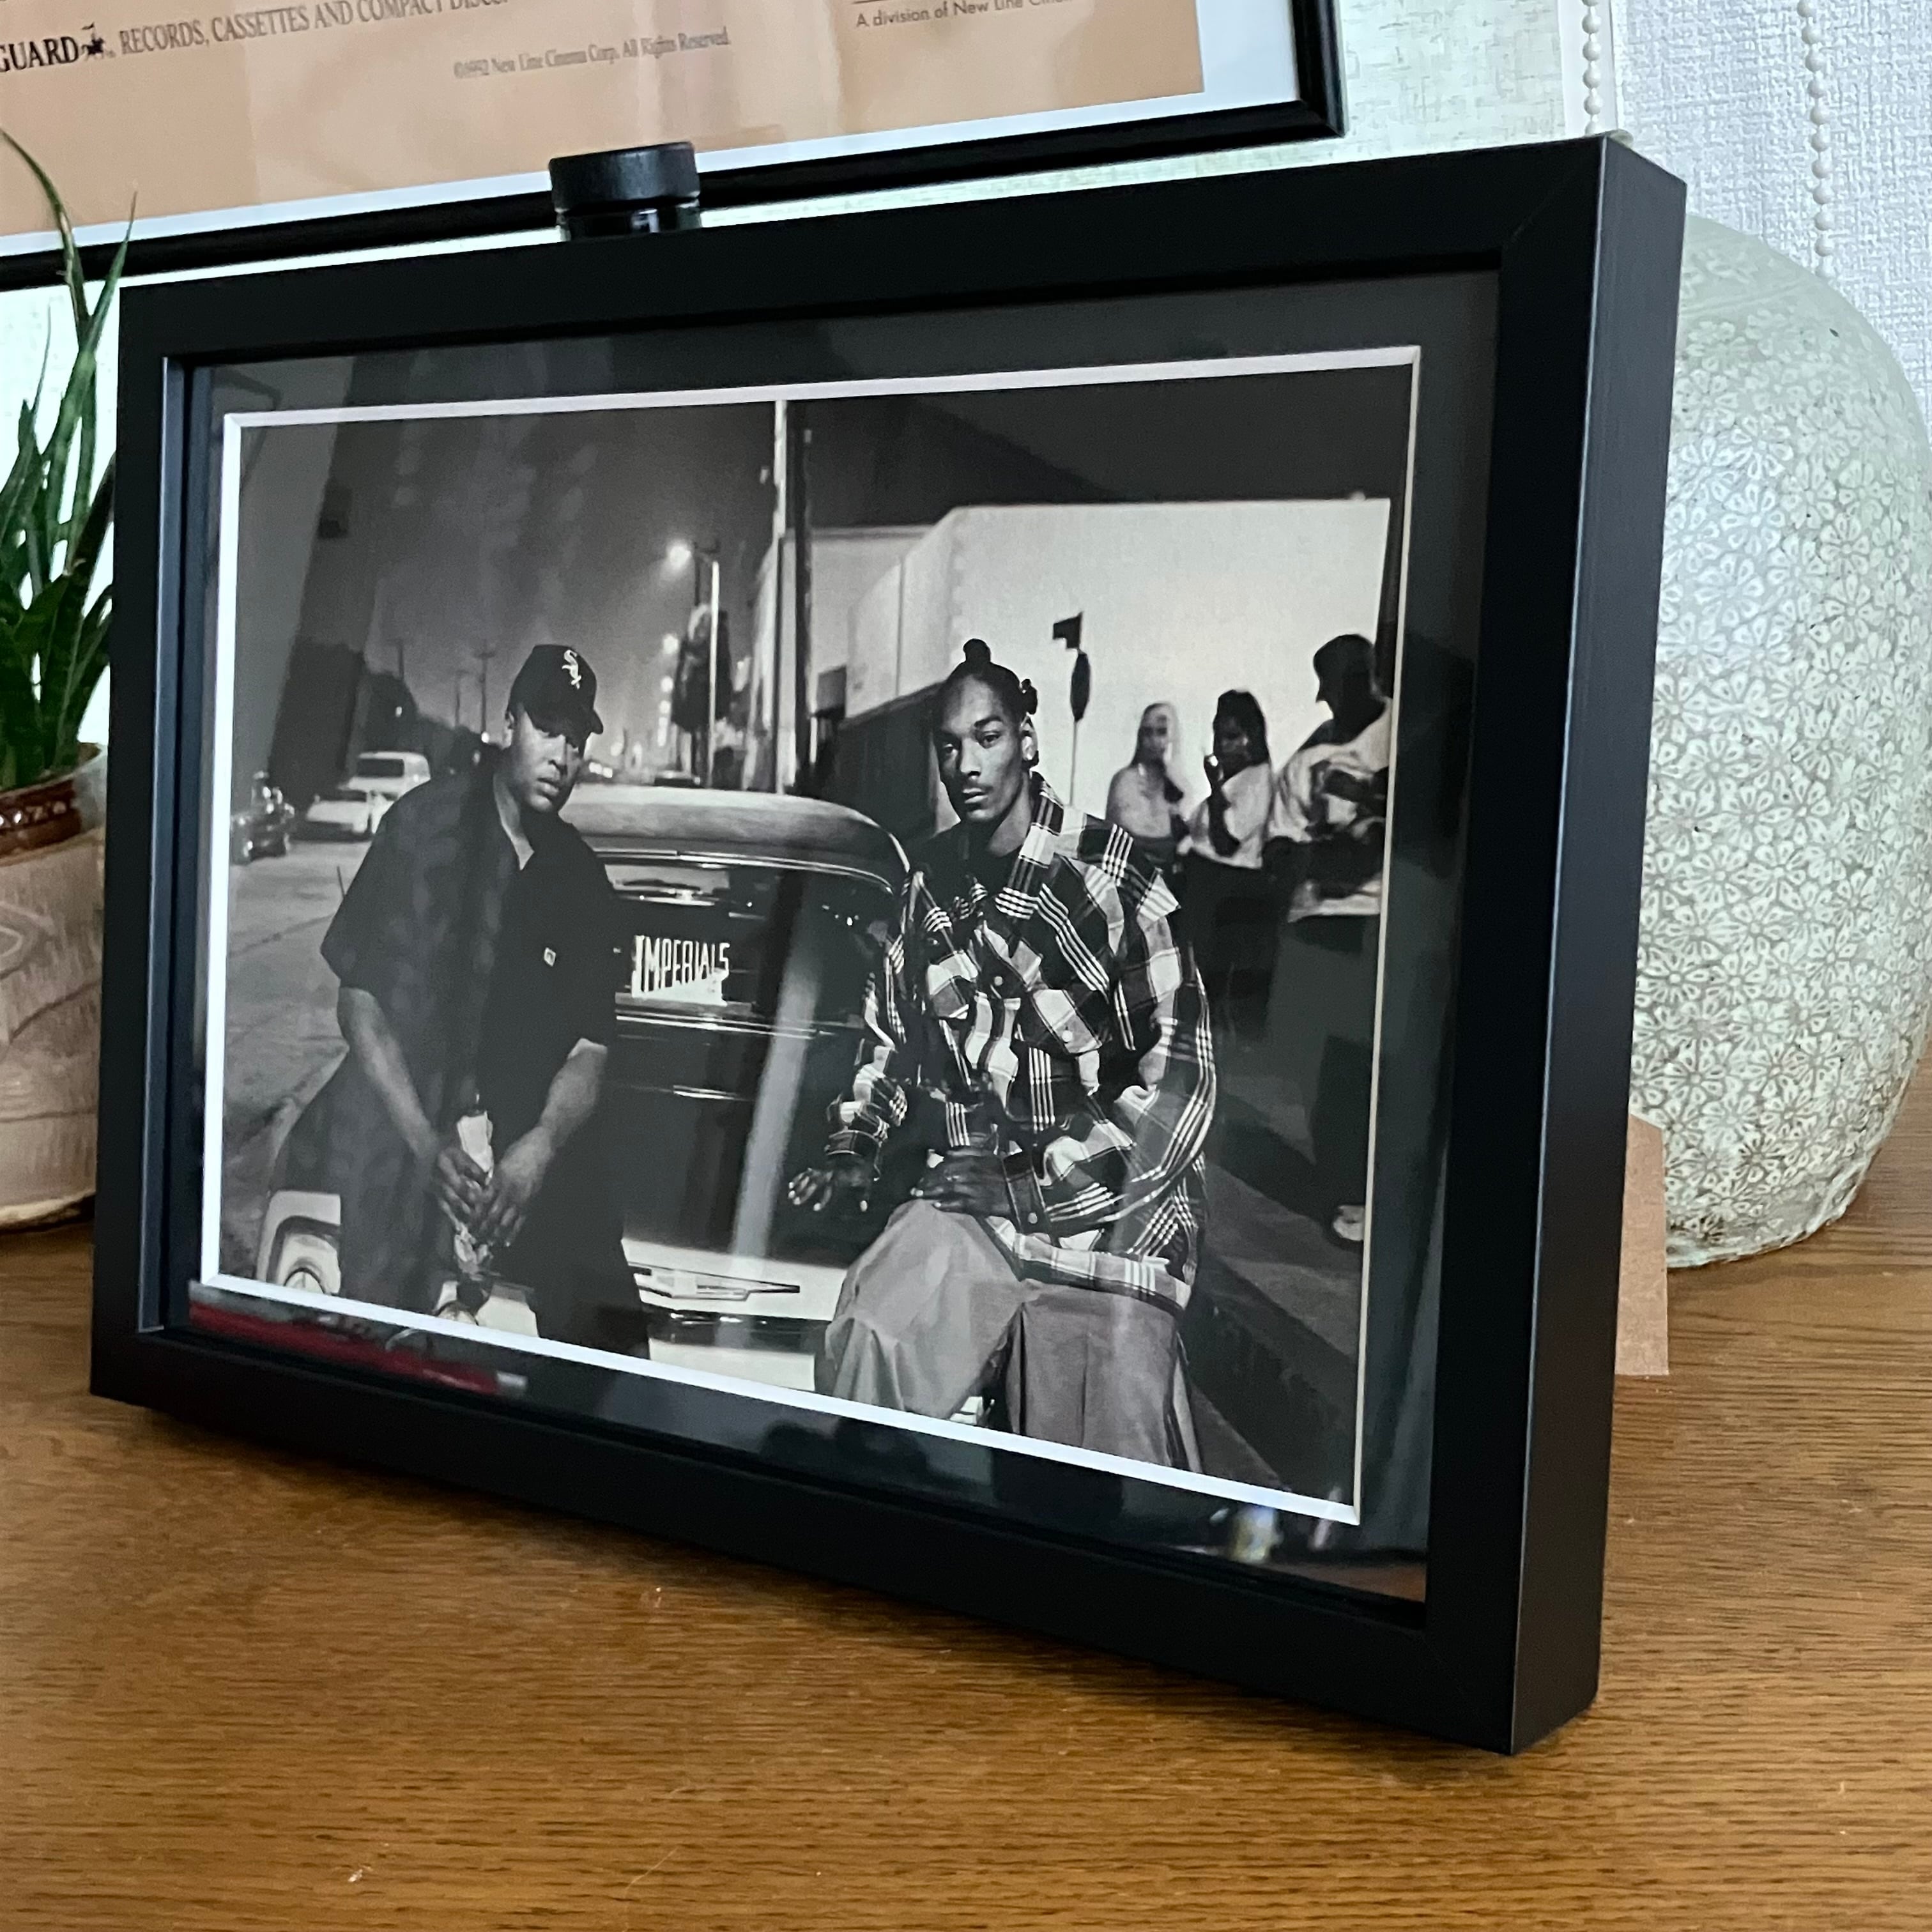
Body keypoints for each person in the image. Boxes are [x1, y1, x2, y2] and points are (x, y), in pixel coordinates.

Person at [786, 638, 1216, 1468]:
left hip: (1106, 1231)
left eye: (987, 738)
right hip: (971, 1207)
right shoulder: (928, 888)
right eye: (949, 746)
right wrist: (855, 1146)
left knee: (1092, 1473)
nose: (966, 766)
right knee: (869, 1341)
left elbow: (1179, 1091)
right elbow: (890, 1044)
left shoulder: (1116, 882)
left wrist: (1028, 1185)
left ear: (1027, 739)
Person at [311, 644, 637, 1348]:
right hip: (407, 1143)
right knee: (373, 1350)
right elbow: (360, 1002)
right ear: (510, 722)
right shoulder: (423, 829)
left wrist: (541, 1148)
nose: (562, 757)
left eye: (576, 740)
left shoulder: (580, 880)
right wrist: (425, 1143)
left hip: (527, 1164)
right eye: (547, 729)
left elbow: (591, 1045)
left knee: (609, 1339)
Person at [1263, 632, 1393, 1248]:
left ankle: (1377, 1190)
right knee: (1320, 1063)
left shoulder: (1404, 738)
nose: (1342, 696)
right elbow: (1279, 849)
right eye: (1333, 685)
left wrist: (1357, 843)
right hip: (1319, 919)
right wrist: (1335, 850)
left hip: (1383, 918)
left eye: (1353, 680)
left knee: (1373, 1061)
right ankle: (1346, 1187)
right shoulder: (1309, 757)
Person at [1178, 689, 1278, 1036]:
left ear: (1252, 737)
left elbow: (1225, 843)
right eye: (1219, 736)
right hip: (1206, 883)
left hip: (1226, 889)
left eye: (1232, 737)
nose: (1222, 746)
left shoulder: (1258, 780)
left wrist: (1214, 786)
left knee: (1210, 981)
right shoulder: (1234, 781)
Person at [1103, 702, 1193, 879]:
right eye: (1147, 732)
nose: (1153, 740)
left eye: (1161, 732)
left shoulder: (1182, 789)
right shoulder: (1125, 782)